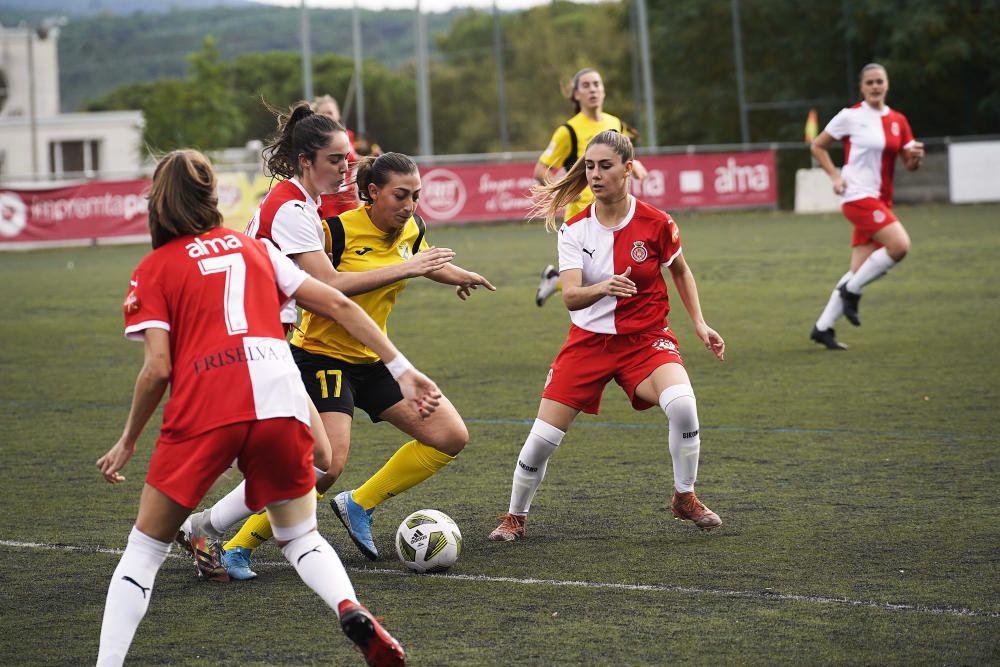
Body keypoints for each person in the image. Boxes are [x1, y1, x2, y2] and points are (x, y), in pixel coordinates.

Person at [95, 149, 430, 666]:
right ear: (213, 197)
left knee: (144, 551)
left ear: (156, 203)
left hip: (209, 400)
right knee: (300, 536)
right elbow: (338, 303)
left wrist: (128, 440)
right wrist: (402, 368)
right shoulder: (257, 250)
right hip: (280, 395)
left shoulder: (154, 269)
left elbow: (158, 368)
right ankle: (349, 606)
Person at [178, 103, 456, 581]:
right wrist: (402, 357)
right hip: (262, 346)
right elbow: (330, 291)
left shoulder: (302, 204)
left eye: (349, 159)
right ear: (305, 159)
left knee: (315, 459)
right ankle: (209, 535)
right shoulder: (293, 210)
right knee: (306, 460)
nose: (347, 168)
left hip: (270, 342)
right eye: (337, 160)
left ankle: (204, 527)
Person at [489, 130, 725, 543]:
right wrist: (605, 287)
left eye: (605, 166)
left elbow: (681, 270)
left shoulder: (659, 223)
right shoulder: (574, 230)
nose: (595, 175)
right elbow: (572, 298)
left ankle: (684, 497)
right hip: (588, 345)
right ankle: (514, 517)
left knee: (684, 407)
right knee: (541, 441)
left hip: (646, 341)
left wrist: (700, 324)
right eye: (589, 167)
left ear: (627, 169)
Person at [809, 63, 924, 350]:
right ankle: (852, 291)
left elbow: (909, 164)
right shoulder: (851, 116)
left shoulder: (899, 120)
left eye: (879, 81)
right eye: (869, 82)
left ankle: (823, 328)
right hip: (857, 196)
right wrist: (835, 176)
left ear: (887, 84)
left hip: (881, 199)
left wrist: (916, 159)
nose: (875, 86)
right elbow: (817, 145)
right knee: (900, 245)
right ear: (862, 87)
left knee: (859, 268)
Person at [533, 67, 647, 307]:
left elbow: (623, 154)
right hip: (583, 215)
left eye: (597, 84)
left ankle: (555, 280)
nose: (593, 89)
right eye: (586, 85)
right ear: (575, 95)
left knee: (615, 272)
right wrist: (564, 193)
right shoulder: (568, 131)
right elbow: (540, 170)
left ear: (604, 90)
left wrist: (635, 166)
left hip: (615, 211)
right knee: (590, 281)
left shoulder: (615, 123)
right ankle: (559, 283)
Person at [312, 94, 362, 217]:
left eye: (330, 112)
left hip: (347, 196)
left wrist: (370, 159)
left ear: (338, 115)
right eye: (323, 113)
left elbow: (353, 159)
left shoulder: (347, 135)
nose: (327, 116)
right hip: (325, 197)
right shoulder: (313, 139)